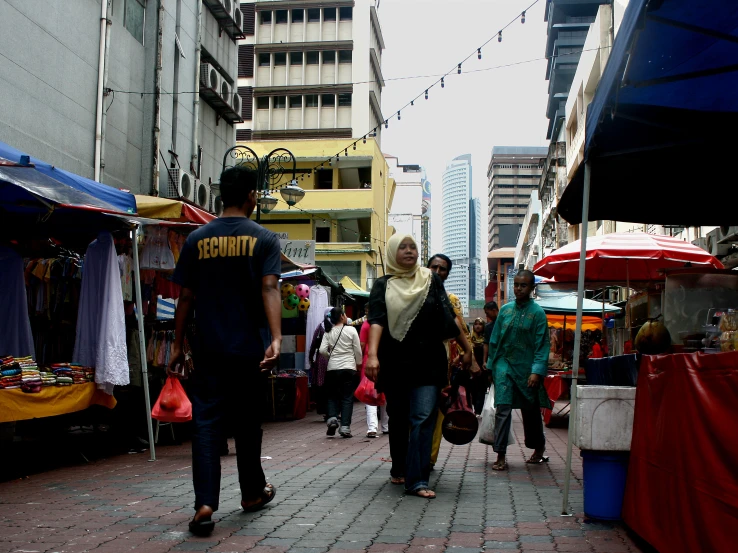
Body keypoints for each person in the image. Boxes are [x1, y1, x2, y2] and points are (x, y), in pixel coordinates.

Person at [167, 165, 282, 536]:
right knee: (248, 423)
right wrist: (276, 338)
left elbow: (185, 296)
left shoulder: (196, 239)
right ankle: (251, 493)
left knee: (206, 426)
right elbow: (269, 288)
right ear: (251, 196)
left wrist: (176, 344)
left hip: (208, 349)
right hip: (249, 350)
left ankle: (205, 504)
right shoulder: (263, 238)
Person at [365, 235, 472, 499]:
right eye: (403, 247)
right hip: (395, 362)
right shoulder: (382, 285)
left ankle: (417, 480)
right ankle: (399, 467)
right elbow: (377, 320)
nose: (409, 251)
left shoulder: (430, 280)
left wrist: (468, 348)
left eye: (413, 247)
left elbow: (447, 317)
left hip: (428, 362)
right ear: (393, 253)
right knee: (399, 419)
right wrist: (373, 355)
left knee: (423, 419)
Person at [486, 269, 551, 471]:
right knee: (503, 409)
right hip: (504, 366)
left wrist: (536, 371)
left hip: (527, 369)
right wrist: (491, 367)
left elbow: (542, 345)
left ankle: (538, 448)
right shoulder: (505, 311)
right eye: (516, 285)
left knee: (530, 412)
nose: (518, 289)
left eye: (523, 285)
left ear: (532, 288)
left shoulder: (538, 314)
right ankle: (501, 454)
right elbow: (494, 340)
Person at [426, 253, 479, 469]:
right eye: (434, 268)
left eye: (443, 269)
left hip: (442, 361)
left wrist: (467, 353)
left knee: (439, 407)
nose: (438, 272)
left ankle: (429, 458)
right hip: (413, 359)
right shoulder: (412, 294)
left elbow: (460, 329)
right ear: (426, 268)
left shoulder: (452, 300)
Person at [319, 307, 362, 438]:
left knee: (332, 396)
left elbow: (321, 350)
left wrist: (330, 356)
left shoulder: (328, 331)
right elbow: (357, 350)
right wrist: (358, 362)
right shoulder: (351, 330)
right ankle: (345, 427)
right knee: (347, 397)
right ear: (343, 317)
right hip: (349, 368)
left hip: (332, 368)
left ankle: (332, 419)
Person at [359, 305, 388, 438]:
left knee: (369, 394)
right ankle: (386, 426)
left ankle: (372, 427)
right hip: (383, 359)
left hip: (369, 360)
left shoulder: (365, 324)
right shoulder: (385, 322)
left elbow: (362, 345)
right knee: (385, 394)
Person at [308, 307, 333, 419]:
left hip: (322, 359)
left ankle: (326, 411)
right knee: (333, 385)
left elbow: (313, 343)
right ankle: (334, 411)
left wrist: (310, 357)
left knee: (322, 386)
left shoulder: (320, 327)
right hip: (335, 358)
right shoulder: (339, 327)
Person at [470, 317, 488, 415]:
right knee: (473, 390)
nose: (477, 326)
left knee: (482, 389)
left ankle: (478, 411)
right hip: (472, 368)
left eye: (480, 324)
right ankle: (473, 408)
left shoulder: (486, 339)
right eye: (476, 324)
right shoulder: (470, 338)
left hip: (483, 368)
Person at [483, 301, 499, 369]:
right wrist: (484, 361)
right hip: (492, 358)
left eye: (487, 313)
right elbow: (486, 344)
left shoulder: (505, 323)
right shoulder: (488, 327)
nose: (487, 316)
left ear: (494, 310)